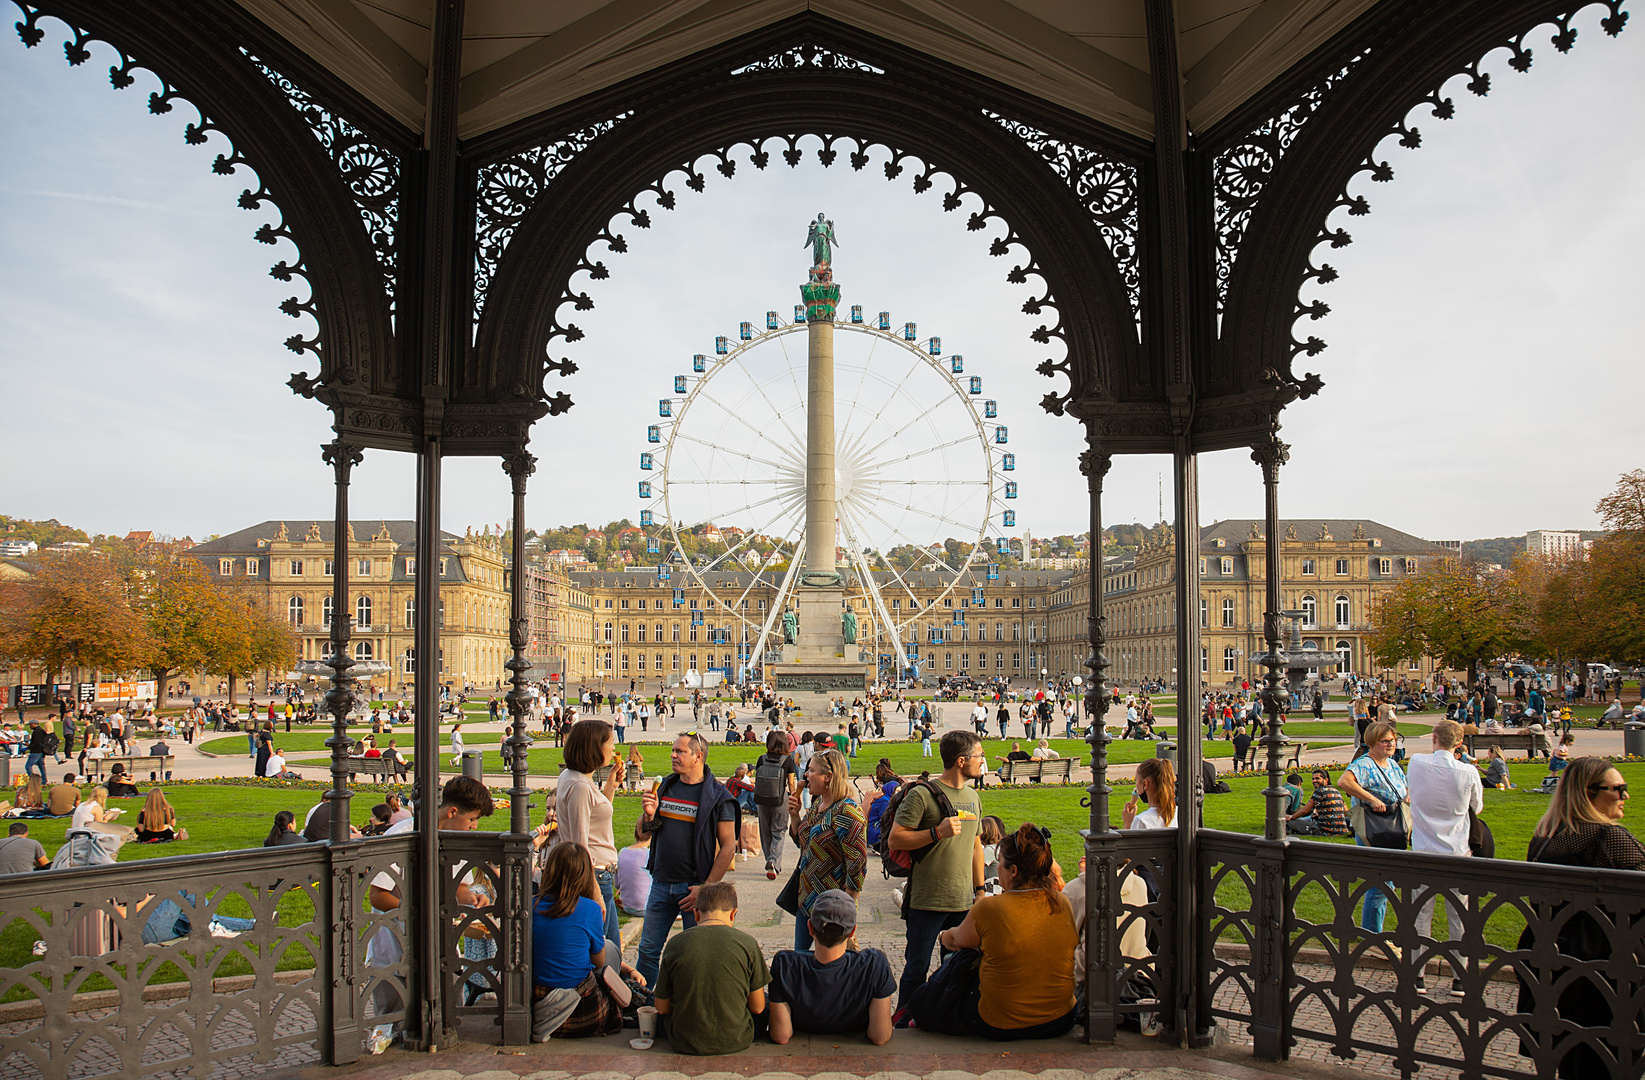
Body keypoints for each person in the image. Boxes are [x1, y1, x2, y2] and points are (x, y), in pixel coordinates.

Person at [1518, 757, 1644, 1077]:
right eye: (1618, 789)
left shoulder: (1545, 837)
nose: (1625, 796)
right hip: (1605, 967)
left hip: (1554, 963)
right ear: (1589, 794)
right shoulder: (1606, 837)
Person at [366, 775, 495, 1051]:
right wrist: (417, 910)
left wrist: (471, 896)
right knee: (390, 1025)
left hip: (440, 947)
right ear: (452, 812)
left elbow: (458, 887)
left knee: (449, 1016)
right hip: (394, 946)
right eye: (472, 819)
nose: (474, 827)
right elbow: (377, 894)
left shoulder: (455, 840)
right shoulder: (401, 835)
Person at [937, 823, 1078, 1040]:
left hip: (999, 1022)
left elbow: (956, 940)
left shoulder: (991, 908)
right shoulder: (1062, 901)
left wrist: (941, 935)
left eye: (1000, 863)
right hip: (1060, 1019)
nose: (997, 868)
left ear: (1013, 872)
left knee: (959, 959)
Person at [632, 731, 740, 990]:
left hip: (694, 889)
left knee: (695, 955)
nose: (673, 755)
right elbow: (643, 832)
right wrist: (648, 815)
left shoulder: (718, 796)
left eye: (680, 751)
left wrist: (706, 887)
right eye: (673, 750)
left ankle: (687, 1006)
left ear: (698, 756)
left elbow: (728, 847)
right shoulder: (666, 786)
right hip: (660, 883)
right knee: (647, 950)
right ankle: (644, 1001)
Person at [889, 729, 986, 1017]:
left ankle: (946, 1017)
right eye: (979, 756)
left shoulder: (973, 796)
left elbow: (976, 846)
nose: (982, 761)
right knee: (916, 966)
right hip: (927, 899)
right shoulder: (922, 795)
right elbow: (896, 838)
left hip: (963, 901)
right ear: (960, 760)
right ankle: (905, 1018)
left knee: (957, 966)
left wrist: (980, 891)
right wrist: (935, 832)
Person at [531, 841, 642, 1039]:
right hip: (584, 1013)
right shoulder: (589, 909)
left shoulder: (532, 906)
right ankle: (621, 1002)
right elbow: (599, 962)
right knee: (609, 948)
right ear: (585, 875)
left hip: (540, 1006)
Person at [1406, 719, 1482, 993]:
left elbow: (1411, 792)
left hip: (1424, 849)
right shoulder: (1467, 771)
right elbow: (1477, 807)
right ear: (1459, 744)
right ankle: (1460, 976)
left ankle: (1418, 974)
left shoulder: (1417, 763)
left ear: (1434, 738)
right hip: (1457, 851)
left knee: (1420, 915)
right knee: (1459, 916)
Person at [654, 881, 768, 1056]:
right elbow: (758, 1007)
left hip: (682, 1039)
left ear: (696, 914)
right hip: (737, 1038)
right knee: (767, 1001)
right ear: (733, 914)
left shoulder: (675, 943)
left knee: (651, 1002)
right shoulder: (748, 943)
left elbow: (661, 1008)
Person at [767, 889, 895, 1045]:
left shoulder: (785, 966)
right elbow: (880, 1036)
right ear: (852, 931)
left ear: (810, 927)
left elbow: (781, 1035)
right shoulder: (874, 965)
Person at [786, 748, 868, 950]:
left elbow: (856, 866)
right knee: (801, 960)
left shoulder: (847, 812)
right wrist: (794, 814)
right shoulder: (818, 805)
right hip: (806, 898)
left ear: (828, 776)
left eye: (811, 770)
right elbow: (803, 844)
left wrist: (847, 909)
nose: (805, 775)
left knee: (831, 964)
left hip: (832, 905)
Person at [555, 718, 626, 945]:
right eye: (610, 743)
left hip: (598, 873)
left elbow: (595, 818)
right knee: (602, 951)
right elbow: (579, 843)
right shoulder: (580, 787)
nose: (614, 748)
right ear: (594, 747)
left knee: (611, 948)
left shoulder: (575, 778)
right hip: (593, 874)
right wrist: (594, 892)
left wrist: (610, 788)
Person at [1337, 720, 1409, 937]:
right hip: (1374, 828)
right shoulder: (1364, 764)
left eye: (1393, 740)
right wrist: (1371, 798)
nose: (1391, 744)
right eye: (1385, 741)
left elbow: (1403, 787)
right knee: (1379, 884)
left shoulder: (1392, 763)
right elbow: (1344, 782)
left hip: (1392, 826)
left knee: (1386, 884)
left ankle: (1374, 933)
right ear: (1372, 742)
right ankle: (1371, 936)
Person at [754, 730, 798, 881]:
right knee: (778, 831)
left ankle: (769, 860)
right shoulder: (787, 760)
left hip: (762, 798)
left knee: (765, 831)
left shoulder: (762, 759)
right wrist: (794, 797)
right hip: (780, 799)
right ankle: (774, 861)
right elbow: (791, 782)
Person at [1287, 769, 1351, 836]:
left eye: (1317, 778)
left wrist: (1291, 817)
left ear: (1326, 780)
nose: (1314, 781)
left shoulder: (1319, 791)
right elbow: (1346, 812)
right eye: (1313, 779)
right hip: (1341, 831)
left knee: (1292, 823)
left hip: (1325, 831)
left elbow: (1305, 810)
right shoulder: (1336, 791)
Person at [1121, 757, 1176, 829]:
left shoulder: (1142, 821)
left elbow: (1129, 840)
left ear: (1145, 784)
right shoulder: (1181, 814)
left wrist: (1128, 823)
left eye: (1136, 781)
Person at [616, 833, 653, 916]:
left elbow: (616, 884)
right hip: (647, 908)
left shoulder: (622, 852)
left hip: (627, 906)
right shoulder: (650, 854)